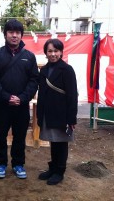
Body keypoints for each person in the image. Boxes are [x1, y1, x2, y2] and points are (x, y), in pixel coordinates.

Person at [0, 19, 39, 179]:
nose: (14, 35)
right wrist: (6, 96)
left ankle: (18, 164)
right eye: (11, 32)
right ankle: (1, 164)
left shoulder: (29, 57)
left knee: (20, 136)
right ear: (5, 34)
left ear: (21, 35)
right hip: (1, 105)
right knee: (0, 136)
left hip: (21, 106)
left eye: (17, 33)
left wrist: (23, 98)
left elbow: (34, 80)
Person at [36, 38, 78, 185]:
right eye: (50, 51)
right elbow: (41, 93)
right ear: (45, 53)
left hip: (62, 113)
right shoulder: (44, 70)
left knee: (61, 143)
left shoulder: (67, 70)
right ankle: (52, 168)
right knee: (53, 142)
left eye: (56, 51)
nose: (53, 54)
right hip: (48, 112)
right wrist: (39, 115)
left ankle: (60, 171)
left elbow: (73, 95)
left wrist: (71, 118)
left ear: (61, 52)